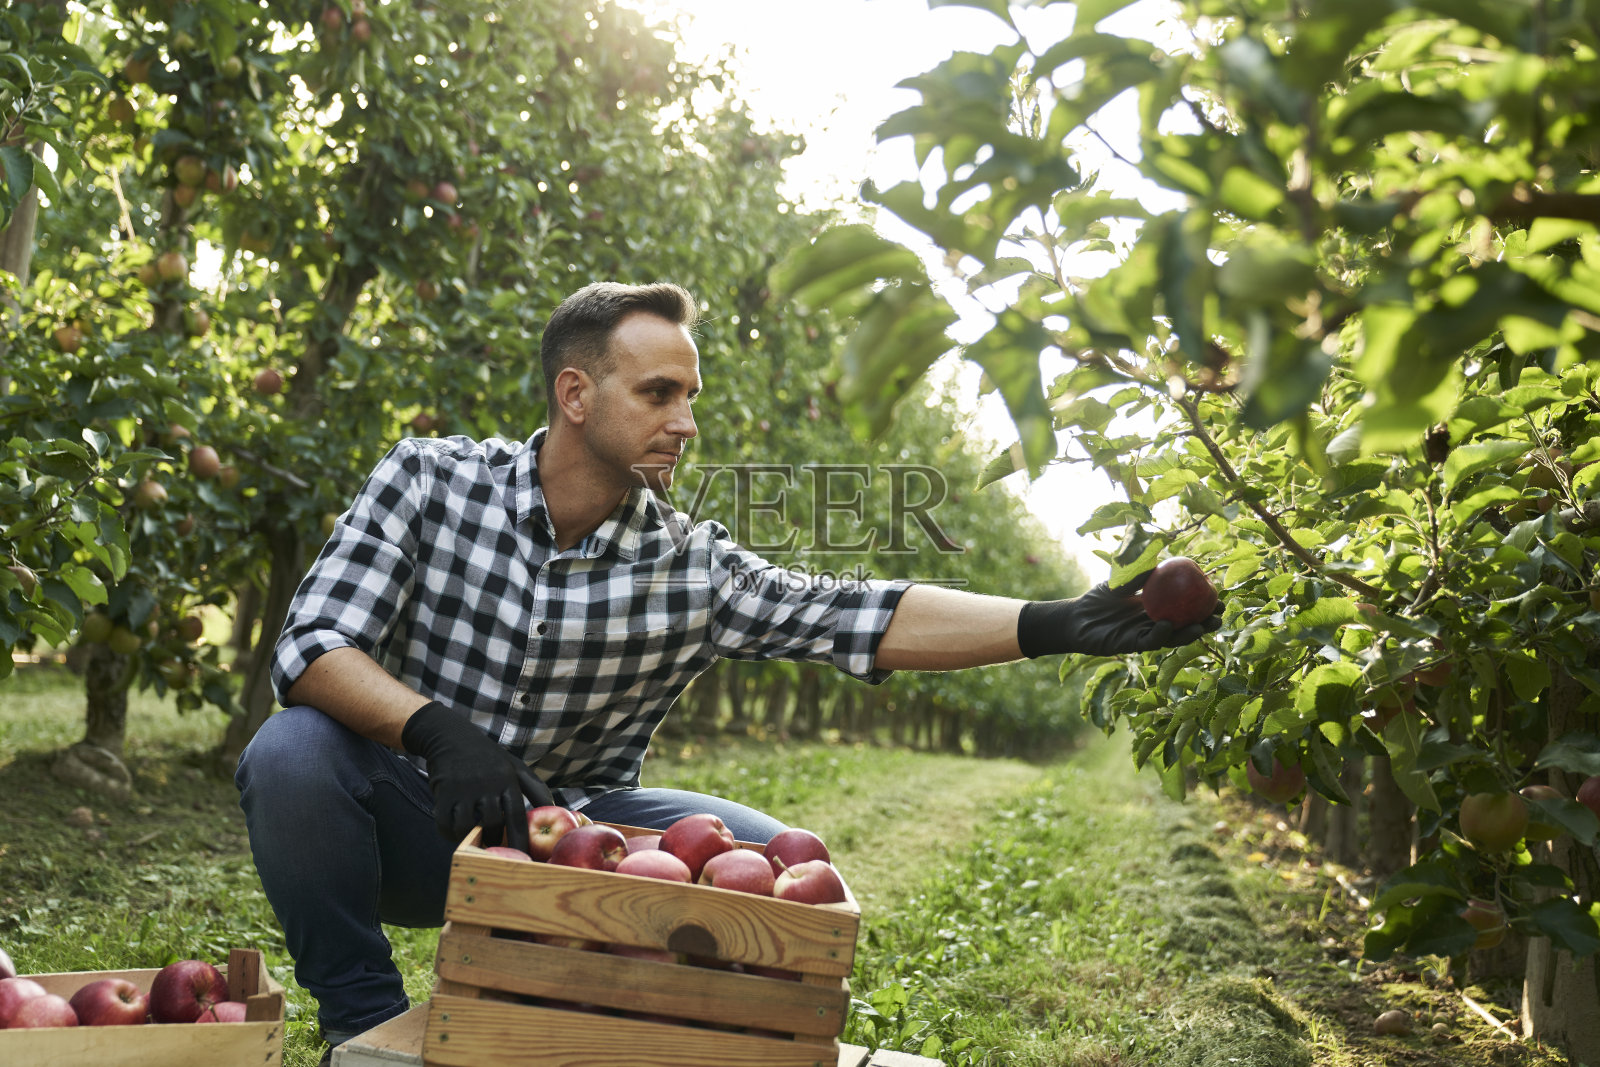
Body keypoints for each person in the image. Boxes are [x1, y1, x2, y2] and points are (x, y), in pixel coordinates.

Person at [233, 281, 1221, 1062]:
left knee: (777, 868)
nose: (685, 421)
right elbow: (312, 644)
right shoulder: (429, 480)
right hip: (415, 823)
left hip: (578, 844)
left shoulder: (688, 564)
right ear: (575, 395)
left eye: (690, 396)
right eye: (657, 393)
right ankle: (363, 1023)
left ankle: (653, 1032)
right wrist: (437, 731)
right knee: (292, 752)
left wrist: (1055, 622)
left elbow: (853, 614)